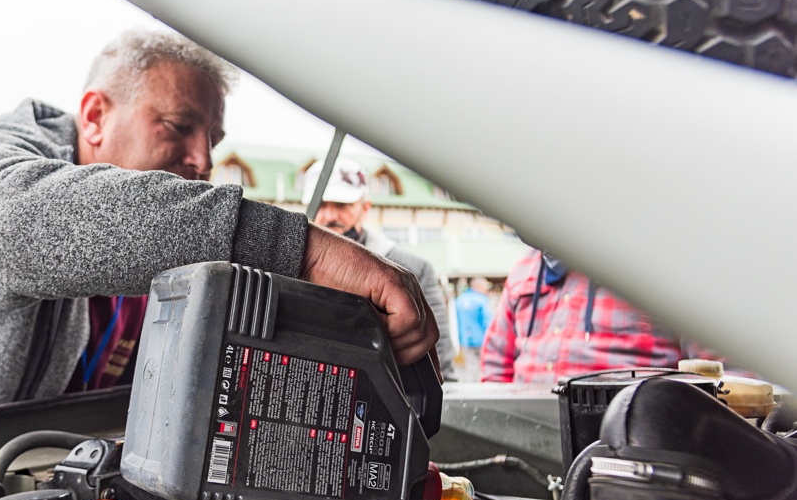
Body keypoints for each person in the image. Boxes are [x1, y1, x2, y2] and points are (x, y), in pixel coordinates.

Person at [0, 29, 439, 467]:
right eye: (178, 127)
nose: (202, 159)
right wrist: (297, 248)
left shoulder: (157, 266)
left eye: (212, 140)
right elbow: (14, 234)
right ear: (93, 116)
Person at [300, 159, 455, 378]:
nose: (330, 215)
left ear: (364, 209)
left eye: (342, 205)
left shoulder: (413, 269)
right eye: (321, 205)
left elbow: (440, 359)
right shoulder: (291, 268)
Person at [482, 248, 721, 384]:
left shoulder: (664, 264)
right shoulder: (525, 268)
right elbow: (496, 361)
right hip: (528, 439)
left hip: (634, 445)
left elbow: (723, 371)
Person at [455, 277, 493, 380]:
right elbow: (488, 322)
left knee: (471, 368)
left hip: (466, 341)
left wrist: (460, 341)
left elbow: (457, 323)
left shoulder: (459, 300)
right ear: (480, 287)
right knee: (485, 368)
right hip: (483, 340)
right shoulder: (482, 300)